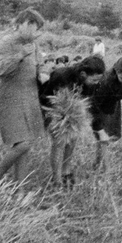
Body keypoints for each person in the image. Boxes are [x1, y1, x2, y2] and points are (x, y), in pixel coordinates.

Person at [0, 9, 48, 184]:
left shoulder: (34, 44)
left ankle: (19, 187)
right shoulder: (7, 42)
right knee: (23, 143)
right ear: (24, 23)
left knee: (26, 145)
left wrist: (43, 72)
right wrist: (20, 55)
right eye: (33, 27)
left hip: (30, 97)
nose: (35, 32)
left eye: (37, 28)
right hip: (10, 97)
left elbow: (41, 64)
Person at [38, 56, 105, 186]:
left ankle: (66, 171)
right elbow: (47, 98)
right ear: (83, 74)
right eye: (94, 79)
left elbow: (91, 102)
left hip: (74, 112)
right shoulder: (61, 75)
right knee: (59, 142)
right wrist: (60, 114)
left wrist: (98, 127)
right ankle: (56, 179)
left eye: (98, 80)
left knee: (73, 139)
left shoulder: (90, 84)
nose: (96, 83)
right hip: (53, 110)